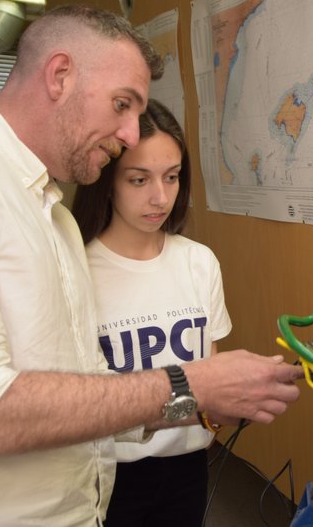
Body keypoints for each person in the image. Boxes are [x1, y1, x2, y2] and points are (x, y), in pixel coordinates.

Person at [0, 4, 302, 526]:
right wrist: (192, 384)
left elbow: (93, 394)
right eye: (121, 104)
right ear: (60, 75)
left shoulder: (56, 218)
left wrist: (209, 400)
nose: (132, 135)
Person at [72, 99, 229, 526]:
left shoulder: (200, 262)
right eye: (139, 179)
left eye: (172, 177)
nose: (160, 197)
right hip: (107, 472)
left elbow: (207, 373)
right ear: (106, 180)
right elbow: (76, 399)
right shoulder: (76, 270)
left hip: (188, 466)